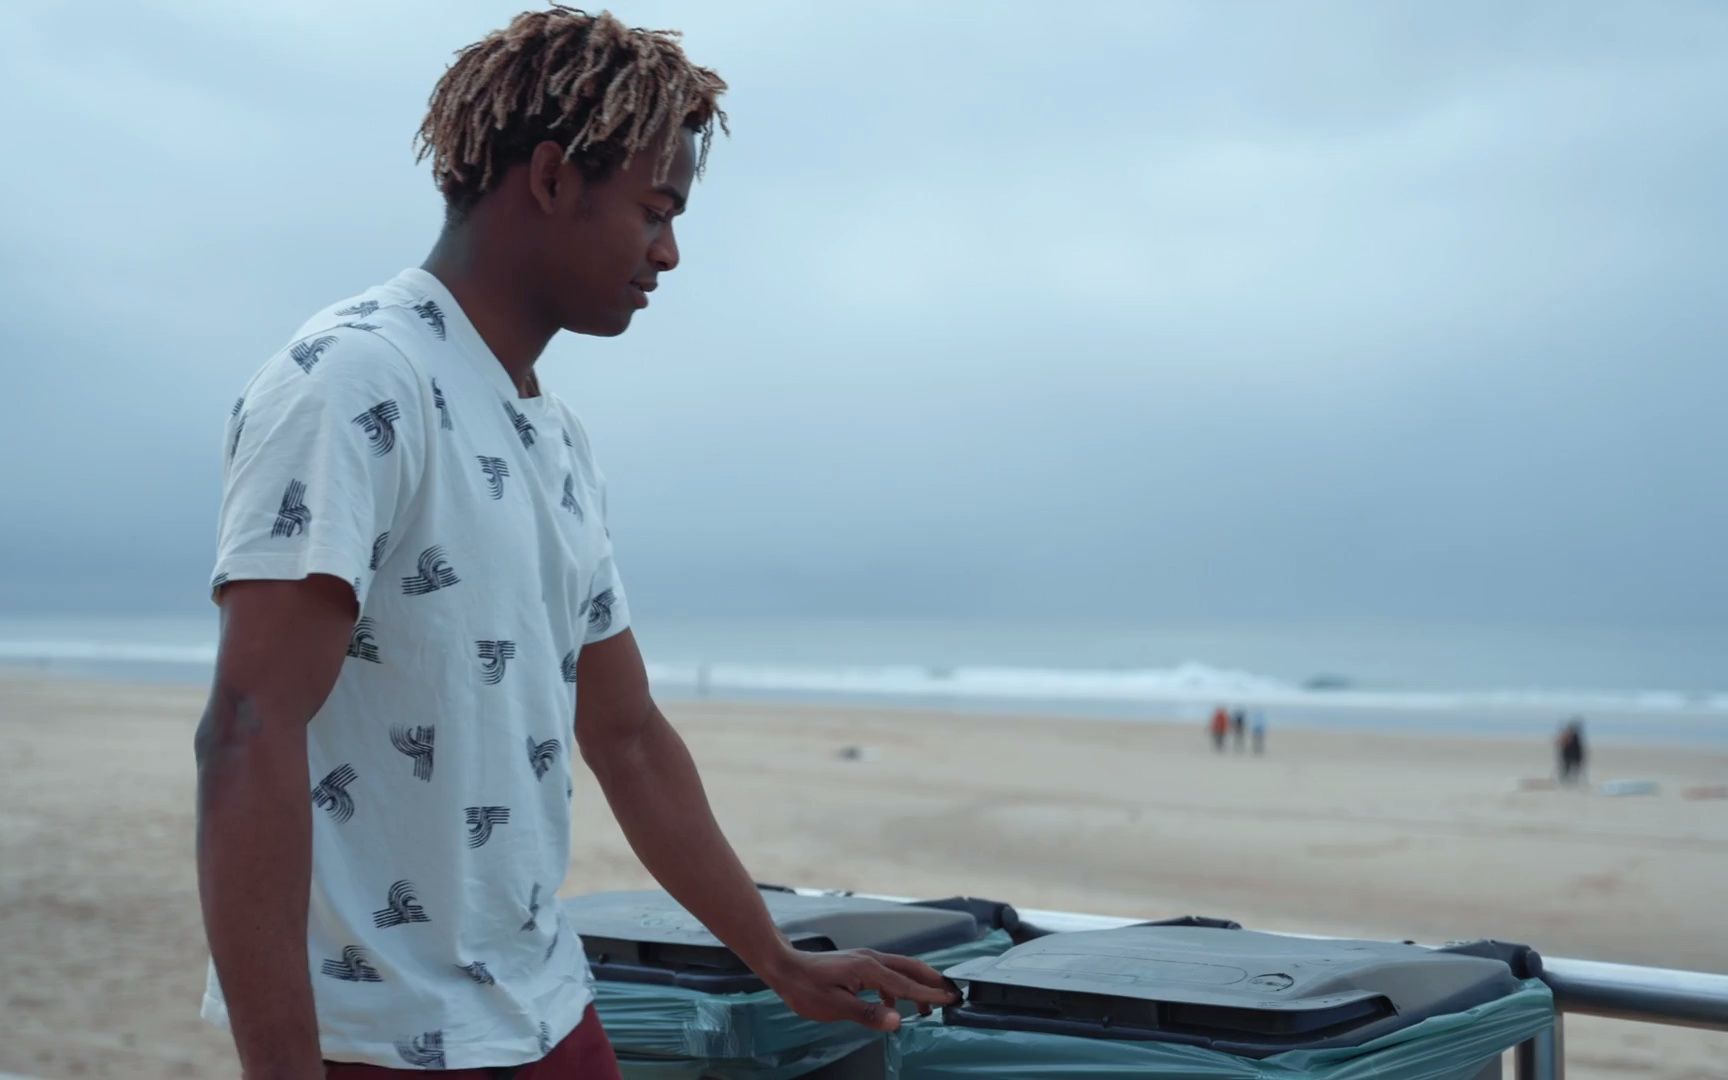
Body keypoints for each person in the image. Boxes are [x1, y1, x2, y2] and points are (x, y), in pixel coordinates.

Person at [193, 11, 954, 1077]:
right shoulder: (354, 381)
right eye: (654, 209)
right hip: (379, 1040)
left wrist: (775, 958)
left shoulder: (553, 437)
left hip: (544, 1008)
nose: (671, 251)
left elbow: (628, 731)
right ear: (551, 179)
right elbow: (247, 728)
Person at [1557, 717, 1588, 786]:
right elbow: (1561, 744)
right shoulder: (1568, 736)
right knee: (1567, 769)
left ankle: (1572, 781)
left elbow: (1579, 748)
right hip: (1569, 755)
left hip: (1574, 755)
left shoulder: (1575, 736)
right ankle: (1565, 781)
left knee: (1575, 769)